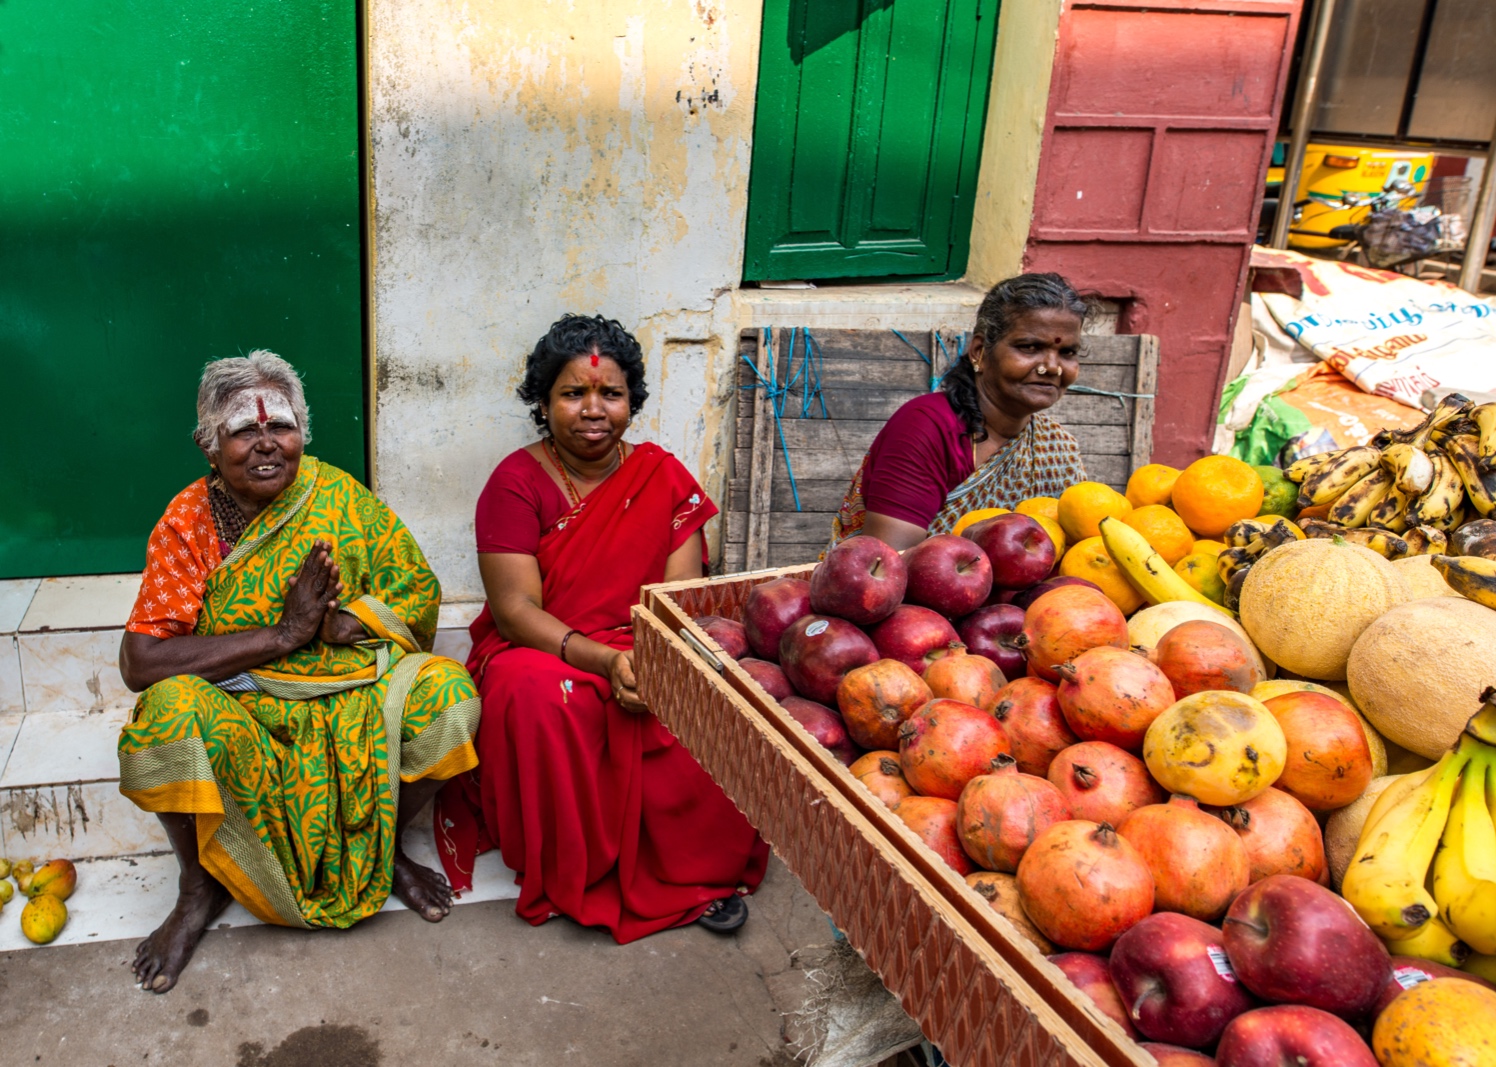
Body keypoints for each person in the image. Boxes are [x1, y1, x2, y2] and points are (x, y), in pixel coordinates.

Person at [117, 350, 481, 994]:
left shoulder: (340, 497)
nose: (265, 445)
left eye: (280, 427)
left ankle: (385, 847)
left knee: (447, 695)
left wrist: (355, 620)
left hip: (354, 698)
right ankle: (198, 890)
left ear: (302, 434)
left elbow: (417, 590)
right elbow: (141, 662)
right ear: (208, 445)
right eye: (241, 430)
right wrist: (284, 634)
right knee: (166, 715)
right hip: (250, 710)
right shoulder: (189, 521)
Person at [434, 314, 768, 943]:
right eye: (572, 393)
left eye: (610, 394)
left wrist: (648, 662)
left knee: (709, 697)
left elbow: (678, 603)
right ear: (543, 401)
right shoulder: (515, 482)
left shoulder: (661, 478)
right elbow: (515, 612)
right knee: (538, 697)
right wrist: (603, 662)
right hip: (541, 646)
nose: (593, 410)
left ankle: (693, 877)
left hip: (640, 641)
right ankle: (579, 871)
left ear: (630, 402)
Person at [832, 273, 1092, 550]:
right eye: (1029, 347)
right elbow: (886, 566)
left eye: (1067, 352)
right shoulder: (926, 427)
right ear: (979, 351)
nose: (1052, 367)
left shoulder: (1055, 446)